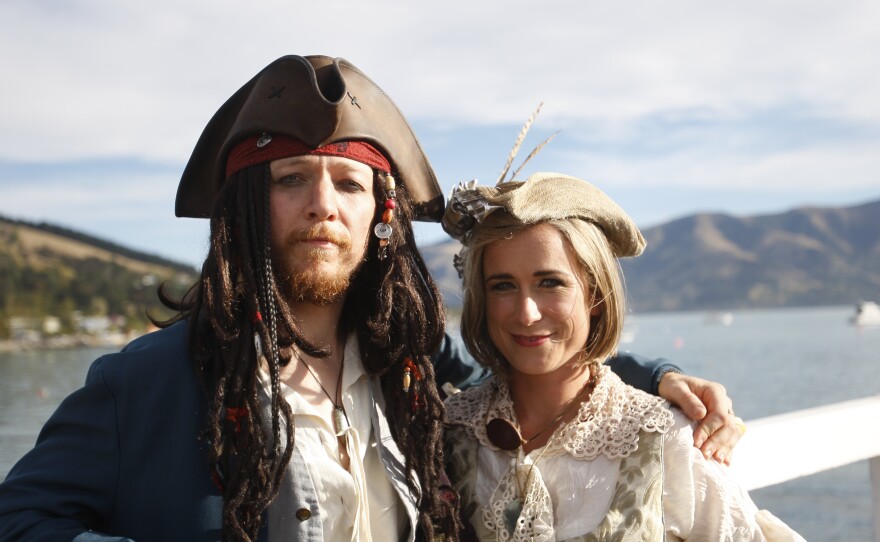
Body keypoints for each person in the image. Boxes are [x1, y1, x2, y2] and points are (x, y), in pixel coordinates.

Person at [0, 55, 739, 542]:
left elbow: (534, 364)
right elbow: (20, 517)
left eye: (349, 184)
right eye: (291, 179)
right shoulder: (150, 381)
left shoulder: (413, 368)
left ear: (380, 214)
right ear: (249, 208)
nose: (324, 205)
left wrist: (657, 377)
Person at [442, 172, 804, 541]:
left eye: (550, 282)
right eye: (502, 286)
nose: (526, 313)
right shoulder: (446, 433)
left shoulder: (667, 440)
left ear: (595, 296)